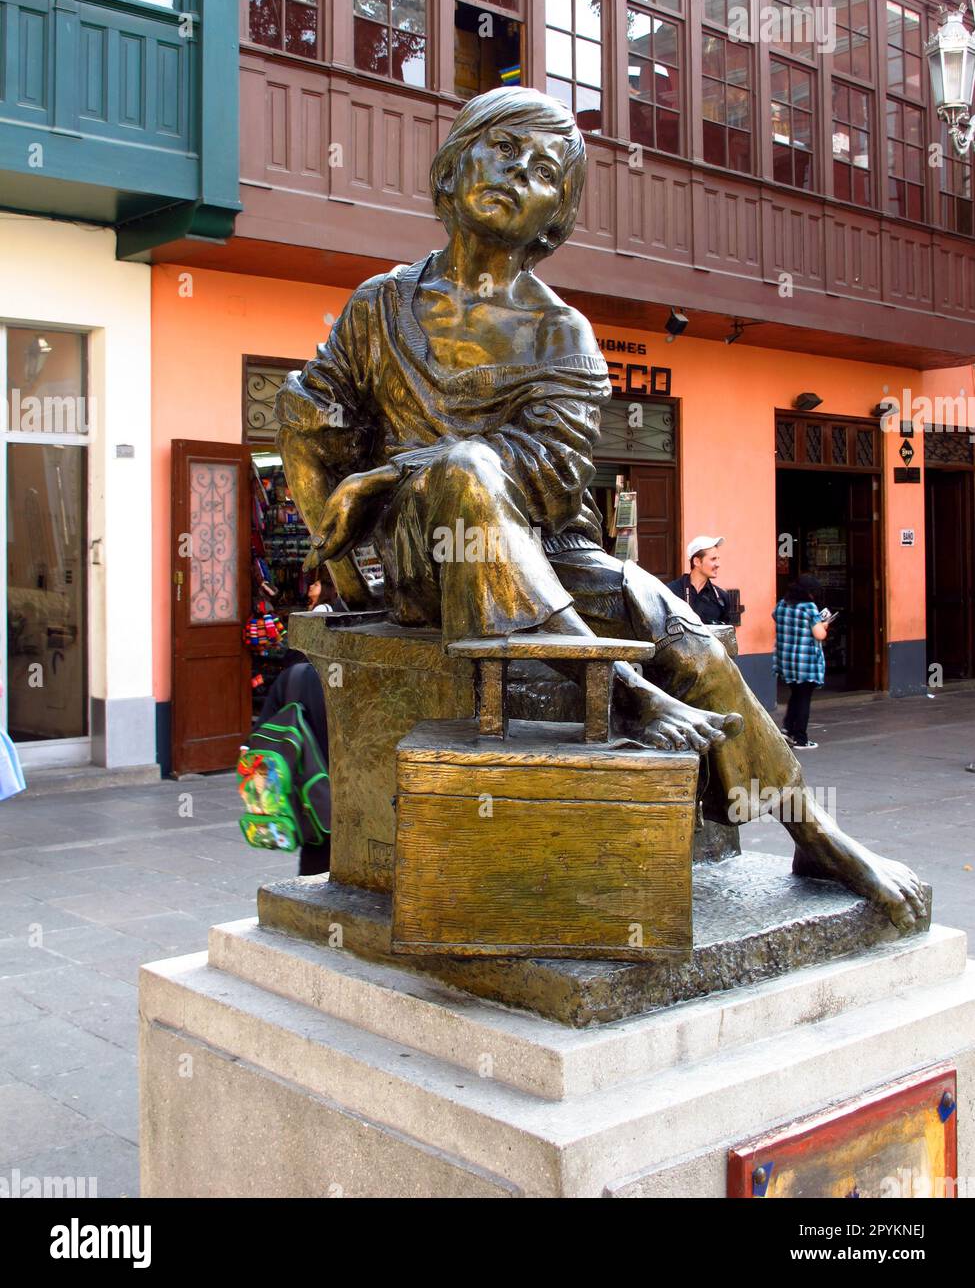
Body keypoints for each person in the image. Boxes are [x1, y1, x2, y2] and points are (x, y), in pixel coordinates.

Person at [275, 85, 924, 933]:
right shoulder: (378, 308)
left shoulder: (561, 332)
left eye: (544, 170)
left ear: (557, 216)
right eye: (503, 148)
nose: (517, 172)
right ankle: (620, 689)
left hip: (547, 549)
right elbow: (312, 413)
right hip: (424, 558)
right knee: (465, 472)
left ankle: (812, 828)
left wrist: (397, 469)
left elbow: (548, 473)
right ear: (453, 162)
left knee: (681, 631)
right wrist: (339, 547)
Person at [255, 659, 330, 876]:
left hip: (313, 805)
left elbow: (262, 740)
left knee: (315, 879)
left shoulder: (296, 677)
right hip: (363, 805)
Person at [773, 574, 828, 749]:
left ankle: (787, 729)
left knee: (796, 695)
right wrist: (824, 624)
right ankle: (801, 738)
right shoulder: (809, 607)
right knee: (804, 698)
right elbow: (820, 634)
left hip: (787, 660)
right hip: (806, 662)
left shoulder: (782, 604)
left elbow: (775, 616)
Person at [667, 536, 730, 625]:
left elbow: (727, 634)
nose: (718, 564)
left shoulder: (721, 597)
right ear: (696, 561)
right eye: (713, 559)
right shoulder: (671, 592)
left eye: (718, 559)